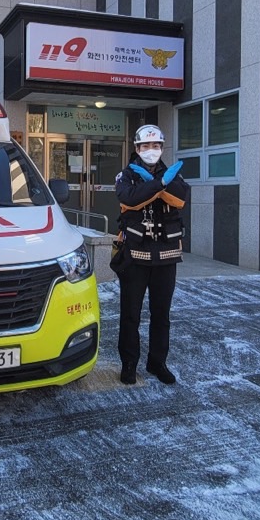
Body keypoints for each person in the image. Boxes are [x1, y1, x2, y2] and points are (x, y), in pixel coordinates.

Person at [114, 124, 189, 386]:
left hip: (167, 255)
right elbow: (130, 199)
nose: (151, 150)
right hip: (135, 255)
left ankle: (157, 362)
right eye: (145, 146)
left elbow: (180, 197)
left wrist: (162, 183)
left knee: (161, 314)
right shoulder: (126, 175)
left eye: (155, 145)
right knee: (130, 314)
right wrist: (159, 184)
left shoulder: (173, 174)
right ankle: (129, 364)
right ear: (137, 148)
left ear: (162, 148)